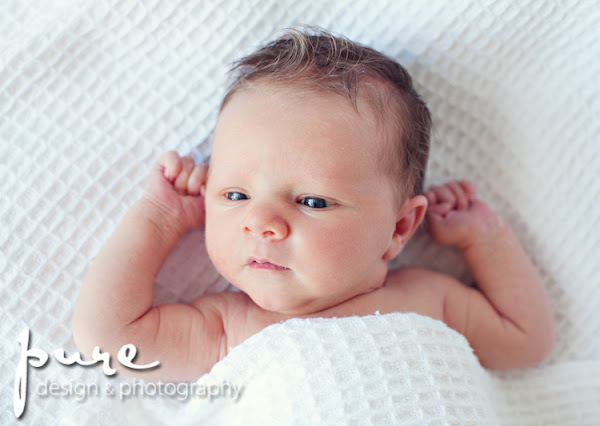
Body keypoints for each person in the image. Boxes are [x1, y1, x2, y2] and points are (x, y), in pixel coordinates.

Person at [73, 27, 555, 382]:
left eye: (312, 201)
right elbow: (109, 339)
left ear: (398, 228)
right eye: (236, 195)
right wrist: (157, 220)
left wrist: (486, 240)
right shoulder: (228, 329)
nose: (261, 222)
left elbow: (527, 339)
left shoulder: (429, 300)